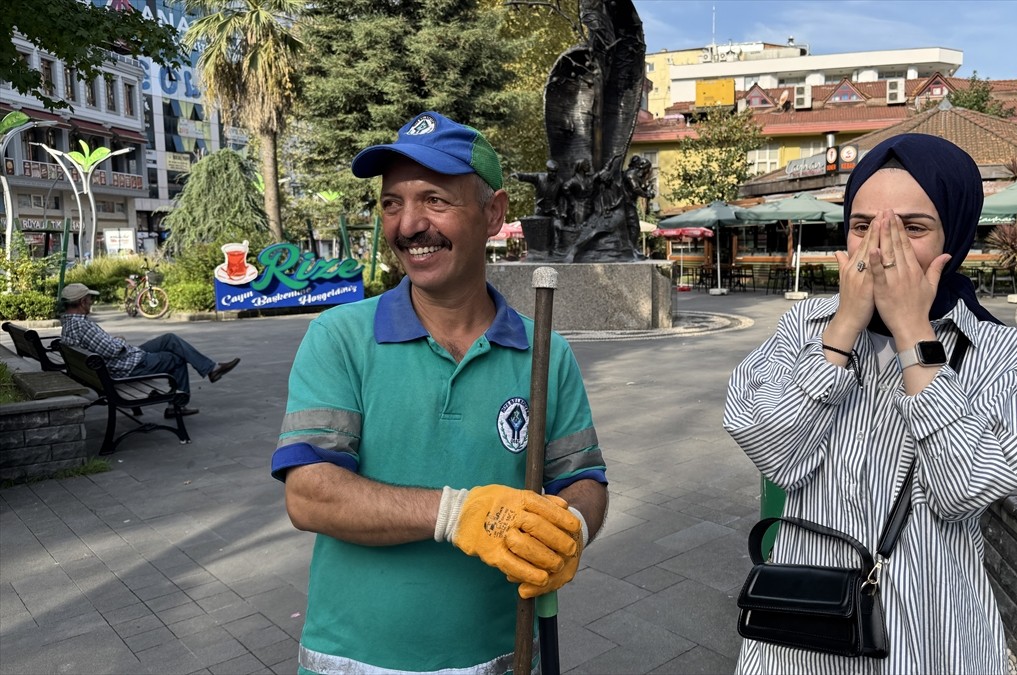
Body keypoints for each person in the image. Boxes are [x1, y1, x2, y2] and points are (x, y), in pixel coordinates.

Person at [271, 111, 608, 674]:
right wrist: (456, 513)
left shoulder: (545, 352)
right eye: (391, 203)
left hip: (499, 659)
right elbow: (309, 494)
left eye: (434, 199)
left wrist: (571, 526)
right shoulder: (340, 337)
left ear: (494, 213)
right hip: (354, 662)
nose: (408, 225)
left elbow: (582, 479)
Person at [723, 133, 1017, 673]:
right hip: (805, 624)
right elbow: (774, 452)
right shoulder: (804, 327)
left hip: (929, 629)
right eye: (861, 225)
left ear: (957, 233)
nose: (880, 248)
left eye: (912, 228)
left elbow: (963, 492)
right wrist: (842, 330)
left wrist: (912, 336)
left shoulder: (1004, 353)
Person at [58, 282, 240, 417]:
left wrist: (115, 343)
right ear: (82, 302)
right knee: (176, 358)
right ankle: (177, 405)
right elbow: (112, 350)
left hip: (116, 363)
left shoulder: (69, 324)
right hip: (126, 366)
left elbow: (102, 348)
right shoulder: (83, 326)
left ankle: (211, 369)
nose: (91, 302)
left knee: (170, 339)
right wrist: (118, 341)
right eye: (89, 299)